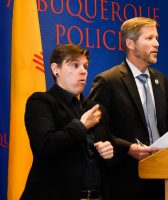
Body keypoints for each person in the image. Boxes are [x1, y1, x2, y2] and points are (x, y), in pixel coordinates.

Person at [89, 17, 168, 200]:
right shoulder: (108, 81)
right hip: (126, 180)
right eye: (149, 38)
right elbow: (97, 131)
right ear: (130, 43)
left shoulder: (163, 82)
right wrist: (128, 148)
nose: (157, 43)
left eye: (157, 37)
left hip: (163, 178)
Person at [21, 44, 114, 200]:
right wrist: (81, 126)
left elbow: (108, 144)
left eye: (85, 66)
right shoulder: (41, 102)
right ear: (55, 69)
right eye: (75, 65)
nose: (83, 71)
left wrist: (109, 151)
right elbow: (45, 147)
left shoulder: (94, 107)